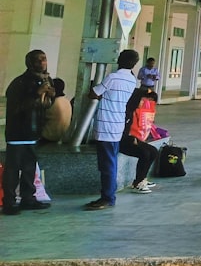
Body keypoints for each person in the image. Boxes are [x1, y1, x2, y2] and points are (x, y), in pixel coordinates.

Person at [85, 49, 141, 210]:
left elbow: (94, 93)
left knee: (107, 164)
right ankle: (108, 195)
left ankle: (108, 197)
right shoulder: (131, 80)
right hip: (118, 124)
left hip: (106, 125)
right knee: (111, 161)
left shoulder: (112, 77)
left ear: (119, 60)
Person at [3, 49, 55, 215]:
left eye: (44, 59)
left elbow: (44, 106)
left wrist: (50, 96)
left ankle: (28, 199)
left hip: (33, 133)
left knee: (29, 168)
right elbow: (16, 108)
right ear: (30, 63)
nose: (42, 63)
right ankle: (9, 202)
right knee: (12, 169)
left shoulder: (45, 80)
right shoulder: (20, 83)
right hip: (18, 133)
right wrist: (36, 95)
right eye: (38, 60)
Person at [120, 85, 159, 193]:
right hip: (119, 141)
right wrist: (130, 138)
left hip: (130, 139)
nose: (143, 103)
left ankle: (141, 179)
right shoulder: (125, 111)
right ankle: (138, 183)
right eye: (142, 100)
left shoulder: (132, 110)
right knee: (144, 153)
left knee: (153, 151)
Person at [40, 78, 73, 144]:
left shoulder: (53, 103)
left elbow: (39, 115)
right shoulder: (67, 101)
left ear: (52, 89)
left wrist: (41, 94)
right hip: (62, 137)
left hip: (49, 137)